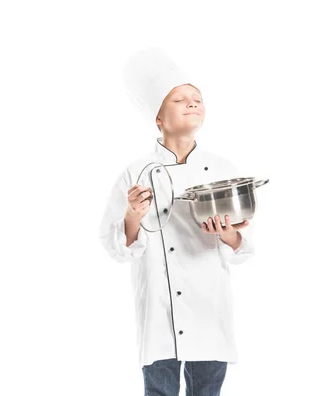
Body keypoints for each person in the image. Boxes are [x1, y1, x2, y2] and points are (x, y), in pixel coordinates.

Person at [98, 47, 257, 396]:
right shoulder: (135, 173)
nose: (192, 103)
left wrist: (230, 235)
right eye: (180, 99)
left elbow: (245, 248)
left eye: (196, 98)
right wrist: (131, 217)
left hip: (208, 304)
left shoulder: (221, 169)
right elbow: (115, 247)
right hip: (158, 303)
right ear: (158, 118)